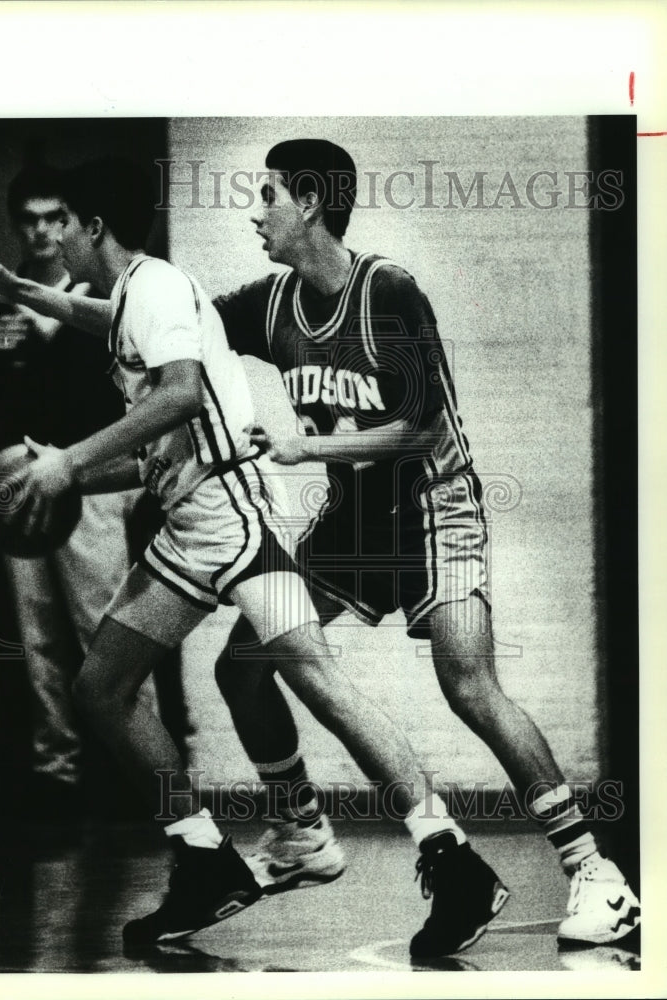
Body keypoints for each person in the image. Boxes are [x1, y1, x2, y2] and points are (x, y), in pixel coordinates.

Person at [0, 156, 510, 957]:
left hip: (240, 526)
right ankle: (205, 855)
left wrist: (64, 463)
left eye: (60, 221)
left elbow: (176, 392)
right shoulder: (136, 295)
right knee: (102, 689)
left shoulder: (160, 288)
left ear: (93, 225)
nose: (48, 237)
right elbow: (119, 342)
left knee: (317, 680)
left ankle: (449, 854)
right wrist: (25, 297)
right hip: (189, 533)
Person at [207, 138, 641, 951]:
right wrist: (51, 298)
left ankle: (596, 874)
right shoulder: (271, 305)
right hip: (353, 524)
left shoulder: (390, 290)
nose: (254, 212)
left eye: (266, 195)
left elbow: (418, 427)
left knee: (468, 685)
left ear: (308, 202)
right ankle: (302, 832)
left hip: (436, 503)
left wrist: (308, 450)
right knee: (243, 661)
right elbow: (173, 317)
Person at [0, 164, 191, 818]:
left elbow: (153, 396)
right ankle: (57, 775)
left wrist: (89, 468)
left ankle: (141, 781)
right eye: (30, 219)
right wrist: (4, 466)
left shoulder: (108, 295)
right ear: (17, 224)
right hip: (24, 481)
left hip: (92, 481)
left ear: (77, 222)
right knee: (38, 638)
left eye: (54, 217)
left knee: (105, 631)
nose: (43, 231)